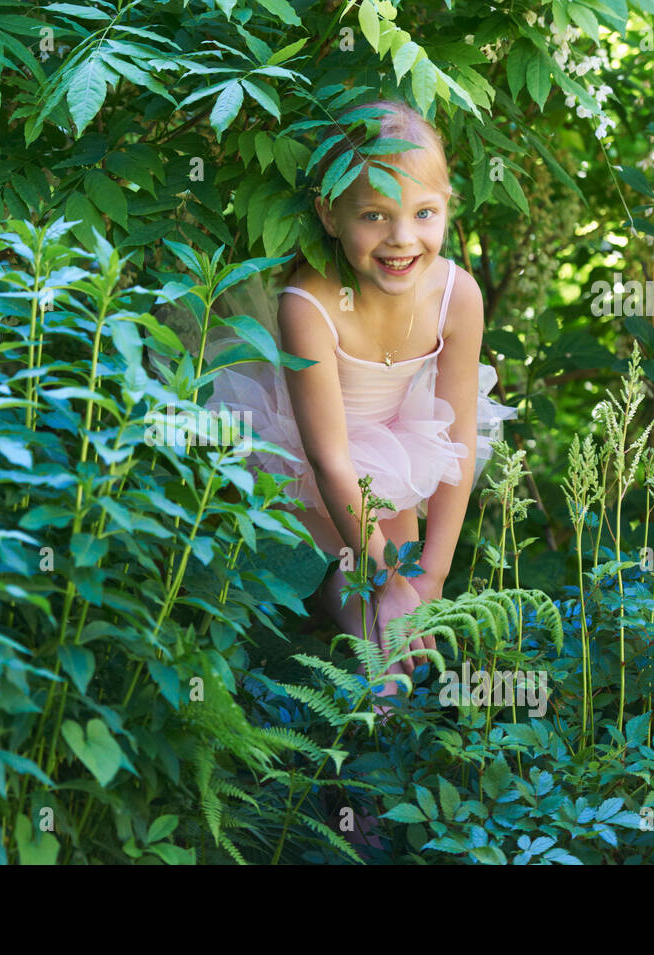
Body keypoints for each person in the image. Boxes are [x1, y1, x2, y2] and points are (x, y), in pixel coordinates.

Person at [206, 99, 518, 706]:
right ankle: (342, 738)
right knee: (357, 603)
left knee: (405, 614)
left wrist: (431, 574)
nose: (402, 239)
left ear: (448, 204)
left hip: (396, 452)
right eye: (375, 215)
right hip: (306, 455)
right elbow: (331, 462)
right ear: (330, 212)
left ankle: (377, 736)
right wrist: (387, 578)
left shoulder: (458, 295)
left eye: (424, 213)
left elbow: (456, 440)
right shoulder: (310, 302)